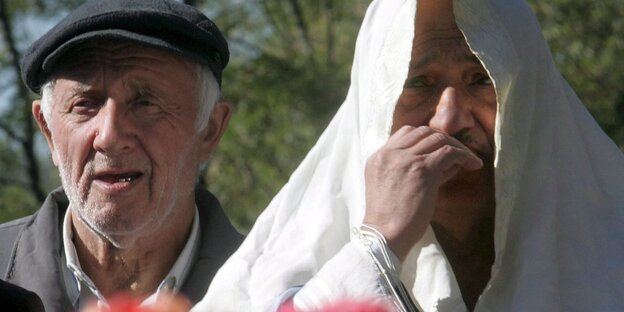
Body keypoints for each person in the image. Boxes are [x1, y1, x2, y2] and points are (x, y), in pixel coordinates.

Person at [195, 0, 624, 311]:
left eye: (481, 78)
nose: (449, 120)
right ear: (376, 104)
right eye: (419, 82)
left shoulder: (609, 255)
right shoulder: (279, 267)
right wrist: (378, 245)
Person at [0, 0, 243, 311]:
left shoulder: (280, 290)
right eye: (85, 104)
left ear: (209, 129)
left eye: (145, 103)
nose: (110, 137)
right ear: (48, 131)